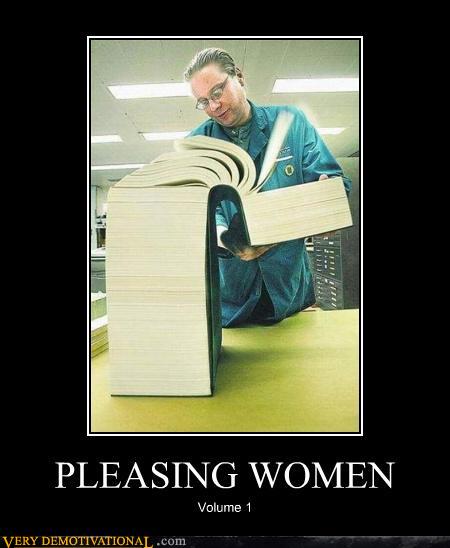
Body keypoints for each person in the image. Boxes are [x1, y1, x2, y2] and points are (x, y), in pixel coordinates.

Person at [184, 47, 351, 327]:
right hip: (232, 299)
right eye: (203, 102)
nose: (213, 106)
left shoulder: (292, 122)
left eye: (217, 92)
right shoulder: (197, 145)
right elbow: (198, 208)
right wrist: (226, 239)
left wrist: (326, 200)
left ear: (238, 76)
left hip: (289, 291)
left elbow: (333, 181)